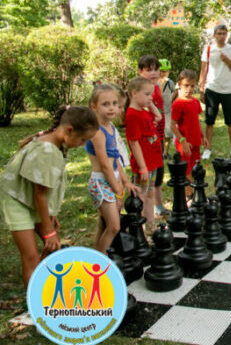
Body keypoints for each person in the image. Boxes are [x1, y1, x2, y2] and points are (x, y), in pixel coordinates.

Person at [0, 106, 98, 290]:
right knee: (31, 256)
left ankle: (47, 287)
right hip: (16, 201)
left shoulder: (53, 143)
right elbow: (39, 195)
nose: (83, 144)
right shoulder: (47, 151)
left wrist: (51, 216)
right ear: (69, 130)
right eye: (83, 139)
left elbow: (42, 193)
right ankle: (36, 305)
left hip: (29, 199)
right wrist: (48, 229)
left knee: (53, 247)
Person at [85, 85, 139, 254]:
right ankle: (99, 261)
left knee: (105, 223)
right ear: (94, 107)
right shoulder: (97, 133)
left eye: (115, 103)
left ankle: (97, 253)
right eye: (105, 104)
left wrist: (126, 182)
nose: (112, 108)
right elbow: (105, 165)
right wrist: (118, 191)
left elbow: (116, 160)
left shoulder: (111, 128)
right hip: (101, 182)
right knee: (114, 226)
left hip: (111, 180)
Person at [198, 24, 231, 160]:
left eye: (224, 33)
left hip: (228, 90)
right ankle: (207, 148)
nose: (221, 36)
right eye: (219, 33)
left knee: (230, 121)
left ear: (227, 35)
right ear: (214, 35)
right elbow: (203, 70)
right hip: (212, 89)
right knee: (209, 120)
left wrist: (227, 60)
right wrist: (201, 89)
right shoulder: (208, 49)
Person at [124, 76, 163, 224]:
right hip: (144, 165)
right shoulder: (132, 115)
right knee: (140, 198)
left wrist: (149, 102)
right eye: (147, 94)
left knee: (150, 195)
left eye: (151, 94)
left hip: (152, 163)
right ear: (134, 93)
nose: (150, 97)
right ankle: (139, 230)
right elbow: (134, 144)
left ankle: (150, 225)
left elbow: (158, 116)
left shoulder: (143, 111)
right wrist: (142, 168)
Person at [137, 55, 168, 217]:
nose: (154, 73)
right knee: (146, 176)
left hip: (159, 136)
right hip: (148, 138)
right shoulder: (141, 91)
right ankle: (141, 207)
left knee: (159, 171)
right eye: (149, 70)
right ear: (140, 71)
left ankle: (158, 205)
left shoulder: (157, 87)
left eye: (156, 69)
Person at [171, 69, 208, 184]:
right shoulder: (178, 103)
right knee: (186, 171)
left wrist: (203, 136)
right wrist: (182, 141)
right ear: (179, 85)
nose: (189, 89)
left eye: (192, 86)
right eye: (186, 85)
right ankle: (187, 195)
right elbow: (172, 125)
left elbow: (197, 121)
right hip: (185, 144)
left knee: (196, 169)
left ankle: (194, 194)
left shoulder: (195, 102)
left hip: (196, 142)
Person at [159, 59, 176, 158]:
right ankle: (158, 151)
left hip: (168, 111)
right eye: (161, 71)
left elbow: (173, 92)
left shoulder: (170, 83)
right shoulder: (154, 83)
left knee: (168, 132)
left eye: (165, 71)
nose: (163, 73)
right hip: (158, 111)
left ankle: (165, 152)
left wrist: (171, 99)